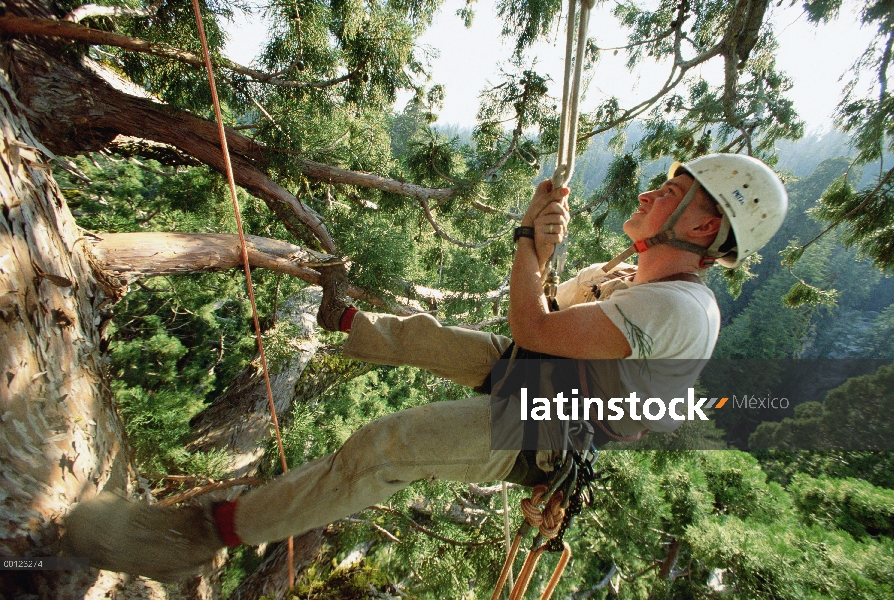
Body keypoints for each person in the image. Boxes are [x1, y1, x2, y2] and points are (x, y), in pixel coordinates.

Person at [62, 154, 788, 582]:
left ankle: (202, 535)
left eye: (670, 191)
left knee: (386, 446)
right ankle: (342, 320)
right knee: (433, 338)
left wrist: (528, 238)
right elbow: (543, 322)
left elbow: (531, 320)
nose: (647, 193)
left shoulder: (682, 312)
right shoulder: (629, 277)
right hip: (543, 379)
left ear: (701, 226)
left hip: (554, 425)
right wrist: (540, 244)